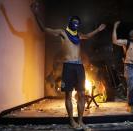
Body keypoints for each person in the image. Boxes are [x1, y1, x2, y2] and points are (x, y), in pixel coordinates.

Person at [31, 2, 106, 130]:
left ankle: (81, 121)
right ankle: (72, 121)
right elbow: (44, 29)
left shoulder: (79, 34)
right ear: (70, 22)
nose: (76, 24)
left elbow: (87, 36)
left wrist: (98, 30)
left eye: (78, 22)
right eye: (74, 21)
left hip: (79, 67)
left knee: (82, 94)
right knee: (68, 95)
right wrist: (36, 14)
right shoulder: (62, 33)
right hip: (68, 67)